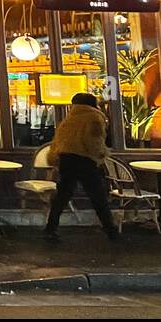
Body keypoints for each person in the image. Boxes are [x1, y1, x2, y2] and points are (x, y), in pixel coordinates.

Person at [45, 92, 119, 242]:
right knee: (98, 196)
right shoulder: (94, 117)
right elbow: (94, 140)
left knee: (62, 195)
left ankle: (51, 227)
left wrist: (55, 158)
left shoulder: (68, 119)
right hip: (85, 161)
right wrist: (101, 155)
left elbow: (58, 141)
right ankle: (110, 230)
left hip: (66, 160)